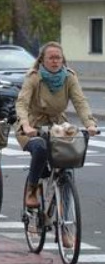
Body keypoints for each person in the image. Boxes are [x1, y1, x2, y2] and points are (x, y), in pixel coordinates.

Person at [15, 42, 97, 222]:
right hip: (33, 126)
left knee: (66, 168)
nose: (54, 61)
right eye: (50, 57)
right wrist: (26, 125)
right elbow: (21, 103)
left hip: (58, 127)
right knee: (41, 148)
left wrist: (89, 124)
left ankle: (66, 223)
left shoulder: (69, 77)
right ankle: (32, 190)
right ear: (42, 60)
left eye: (58, 57)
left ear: (63, 60)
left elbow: (80, 102)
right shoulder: (34, 77)